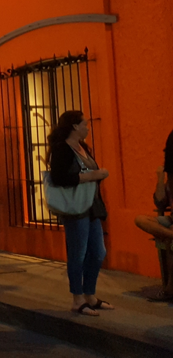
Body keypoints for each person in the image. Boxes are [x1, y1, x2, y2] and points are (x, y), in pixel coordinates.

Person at [48, 110, 112, 316]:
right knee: (78, 253)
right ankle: (77, 299)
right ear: (75, 126)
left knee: (98, 251)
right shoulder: (62, 149)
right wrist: (93, 175)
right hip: (75, 208)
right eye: (85, 124)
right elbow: (58, 178)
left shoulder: (82, 147)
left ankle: (90, 295)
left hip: (91, 205)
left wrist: (97, 175)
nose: (88, 127)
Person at [134, 129, 173, 300]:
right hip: (171, 220)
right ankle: (171, 235)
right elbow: (159, 202)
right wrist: (160, 177)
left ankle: (170, 289)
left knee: (171, 246)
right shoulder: (170, 178)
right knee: (140, 219)